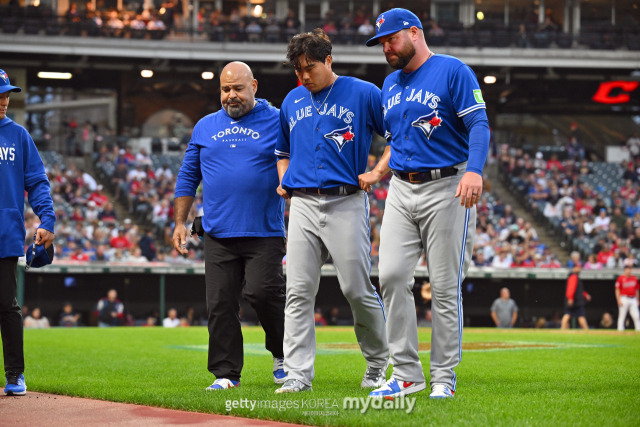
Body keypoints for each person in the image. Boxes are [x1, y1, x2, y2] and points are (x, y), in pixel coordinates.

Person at [362, 8, 490, 399]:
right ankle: (406, 375)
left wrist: (475, 169)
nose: (386, 47)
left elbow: (479, 124)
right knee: (392, 277)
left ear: (415, 33)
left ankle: (443, 376)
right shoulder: (389, 84)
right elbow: (394, 139)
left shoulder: (453, 71)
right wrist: (381, 170)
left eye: (391, 39)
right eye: (381, 42)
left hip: (447, 185)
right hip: (401, 189)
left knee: (445, 286)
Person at [274, 29, 389, 394]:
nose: (304, 76)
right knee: (298, 290)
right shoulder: (292, 100)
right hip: (304, 204)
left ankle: (377, 363)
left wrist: (376, 171)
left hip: (346, 201)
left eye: (309, 67)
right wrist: (284, 180)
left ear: (328, 60)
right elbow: (282, 153)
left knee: (356, 288)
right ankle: (297, 375)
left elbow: (396, 137)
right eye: (298, 69)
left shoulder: (364, 92)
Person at [173, 62, 287, 391]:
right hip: (219, 234)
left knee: (264, 293)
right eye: (225, 90)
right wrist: (180, 222)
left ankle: (281, 355)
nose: (231, 96)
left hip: (264, 231)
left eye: (238, 88)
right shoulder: (205, 127)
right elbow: (187, 177)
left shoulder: (278, 119)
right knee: (220, 304)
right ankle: (226, 374)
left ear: (254, 85)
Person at [0, 69, 56, 396]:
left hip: (5, 236)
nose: (4, 100)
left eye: (7, 94)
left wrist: (46, 219)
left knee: (6, 305)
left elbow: (36, 182)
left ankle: (15, 375)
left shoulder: (19, 135)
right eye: (0, 94)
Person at [561, 263, 591, 329]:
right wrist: (570, 298)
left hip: (576, 300)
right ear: (574, 268)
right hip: (575, 301)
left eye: (580, 267)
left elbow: (579, 290)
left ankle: (562, 330)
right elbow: (571, 288)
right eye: (578, 267)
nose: (580, 269)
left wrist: (585, 295)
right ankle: (587, 331)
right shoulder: (574, 276)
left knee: (568, 314)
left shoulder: (575, 277)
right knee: (579, 315)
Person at [614, 264, 640, 331]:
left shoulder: (634, 278)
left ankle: (638, 330)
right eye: (627, 269)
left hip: (633, 298)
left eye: (630, 269)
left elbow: (637, 290)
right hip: (624, 298)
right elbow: (617, 290)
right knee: (622, 315)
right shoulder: (620, 278)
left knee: (636, 315)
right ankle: (620, 330)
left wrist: (637, 299)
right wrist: (618, 300)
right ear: (625, 270)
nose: (628, 270)